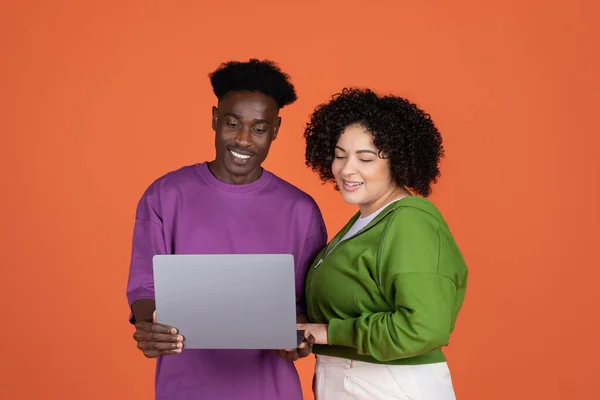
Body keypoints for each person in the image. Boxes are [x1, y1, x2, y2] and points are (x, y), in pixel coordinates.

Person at [126, 59, 328, 400]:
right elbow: (145, 287)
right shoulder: (165, 195)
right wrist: (149, 326)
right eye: (233, 123)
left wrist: (298, 340)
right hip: (185, 387)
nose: (244, 139)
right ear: (214, 119)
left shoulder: (301, 210)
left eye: (259, 128)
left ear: (276, 129)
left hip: (270, 389)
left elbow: (305, 305)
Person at [297, 88, 468, 399]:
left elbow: (423, 327)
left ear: (398, 162)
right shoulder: (367, 221)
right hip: (354, 381)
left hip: (387, 384)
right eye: (339, 155)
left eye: (365, 158)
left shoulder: (411, 222)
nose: (347, 169)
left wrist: (327, 331)